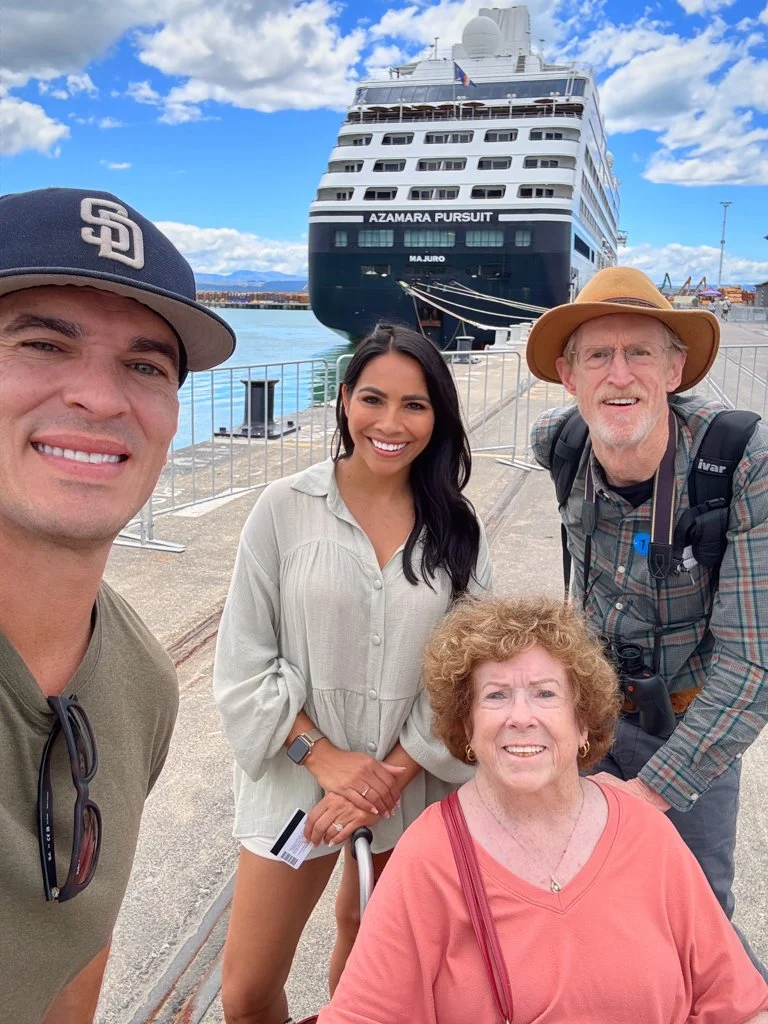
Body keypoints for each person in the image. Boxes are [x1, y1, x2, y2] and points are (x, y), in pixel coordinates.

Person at [0, 187, 236, 1024]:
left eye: (145, 366)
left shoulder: (137, 681)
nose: (101, 399)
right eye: (40, 342)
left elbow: (79, 949)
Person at [212, 323, 492, 1024]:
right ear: (343, 401)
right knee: (246, 992)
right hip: (296, 780)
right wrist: (326, 758)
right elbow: (244, 660)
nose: (390, 424)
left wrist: (388, 775)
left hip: (411, 778)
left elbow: (469, 668)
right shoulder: (282, 509)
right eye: (373, 399)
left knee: (371, 963)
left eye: (415, 405)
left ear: (439, 417)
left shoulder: (457, 530)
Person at [318, 597, 768, 1022]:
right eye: (495, 695)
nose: (521, 716)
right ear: (467, 728)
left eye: (546, 694)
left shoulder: (647, 835)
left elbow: (736, 1001)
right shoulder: (430, 857)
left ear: (583, 722)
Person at [526, 265, 768, 977]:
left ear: (676, 368)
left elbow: (753, 666)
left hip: (692, 722)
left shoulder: (739, 463)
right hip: (589, 714)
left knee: (693, 923)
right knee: (570, 898)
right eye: (598, 354)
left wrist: (652, 793)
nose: (619, 373)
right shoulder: (557, 443)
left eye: (641, 353)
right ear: (569, 376)